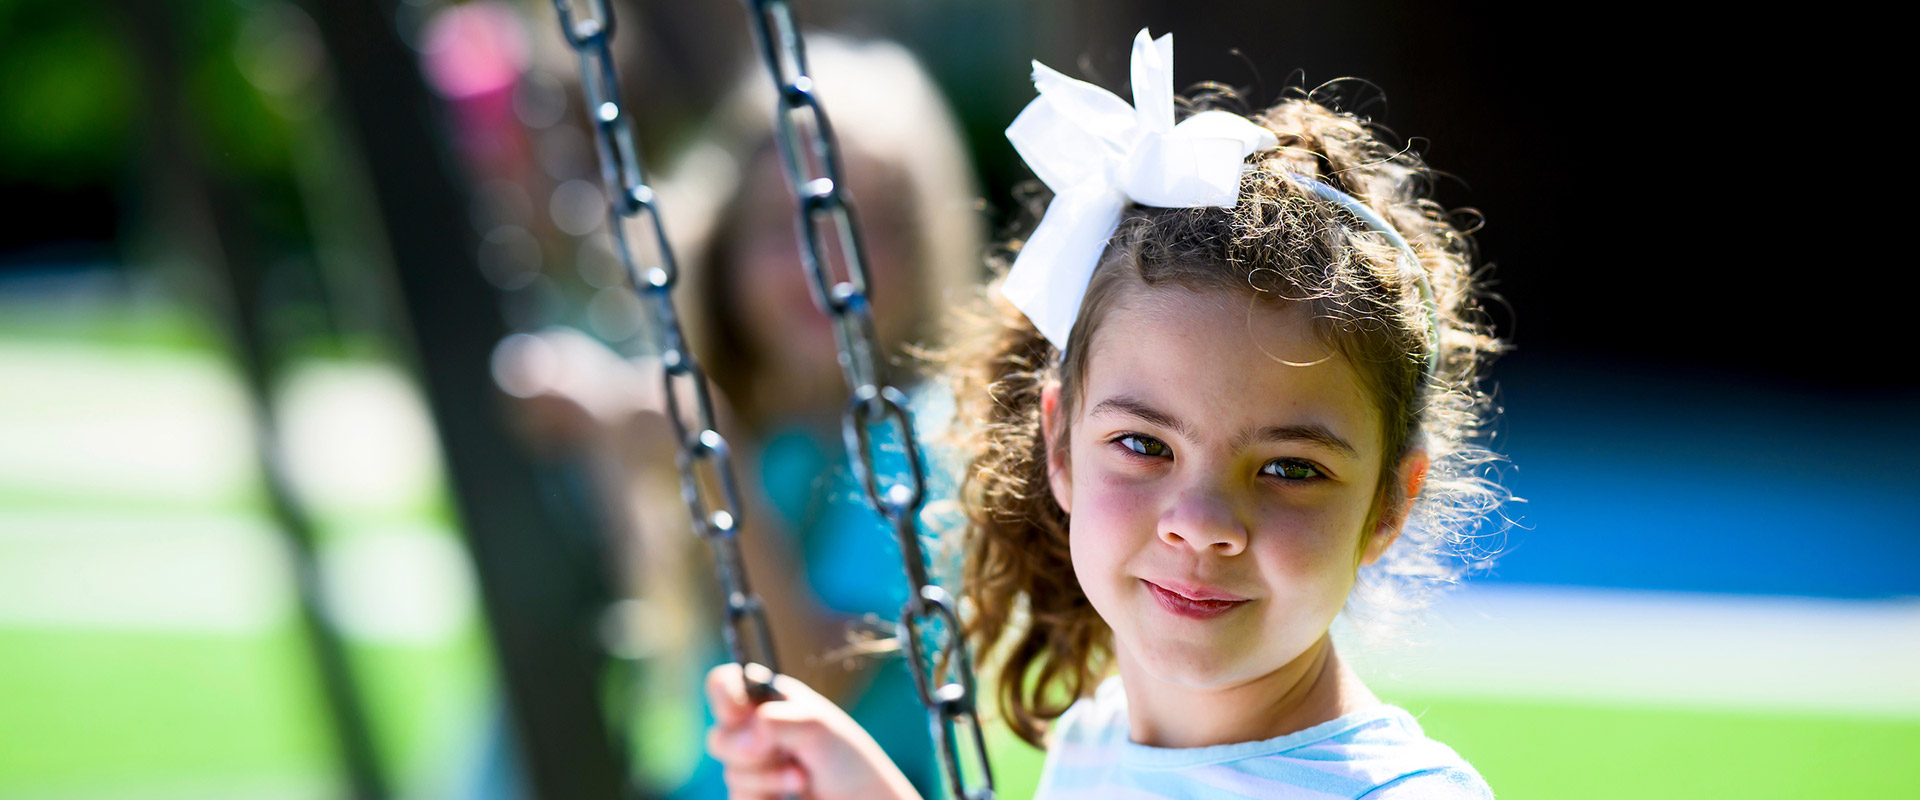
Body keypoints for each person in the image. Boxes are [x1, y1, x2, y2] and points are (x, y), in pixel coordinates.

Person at [703, 28, 1505, 799]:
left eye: (1291, 468)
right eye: (1143, 444)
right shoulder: (1093, 746)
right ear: (1058, 445)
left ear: (1391, 502)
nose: (1201, 522)